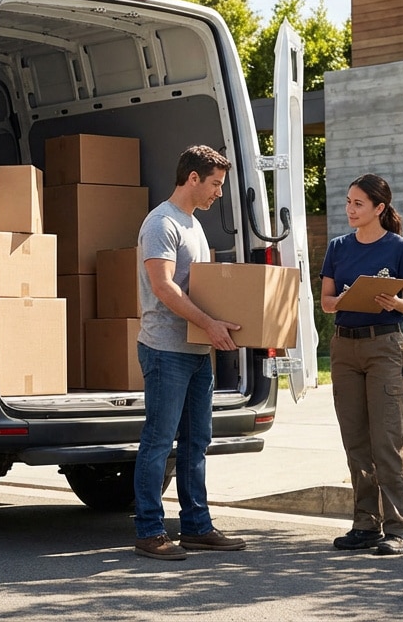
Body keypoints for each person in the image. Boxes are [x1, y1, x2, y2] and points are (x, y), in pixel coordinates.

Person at [132, 144, 247, 561]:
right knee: (159, 441)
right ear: (193, 178)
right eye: (215, 184)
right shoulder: (162, 223)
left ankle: (197, 527)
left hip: (197, 349)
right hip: (165, 349)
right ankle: (149, 531)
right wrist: (208, 323)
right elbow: (163, 288)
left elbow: (201, 287)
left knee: (197, 440)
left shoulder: (193, 225)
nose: (219, 192)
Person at [320, 173, 403, 557]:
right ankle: (365, 524)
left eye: (358, 203)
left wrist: (395, 303)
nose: (350, 209)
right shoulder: (338, 248)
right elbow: (326, 302)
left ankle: (397, 529)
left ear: (379, 208)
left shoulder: (400, 248)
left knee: (386, 442)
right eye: (348, 202)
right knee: (356, 442)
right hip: (344, 349)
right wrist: (345, 298)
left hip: (384, 347)